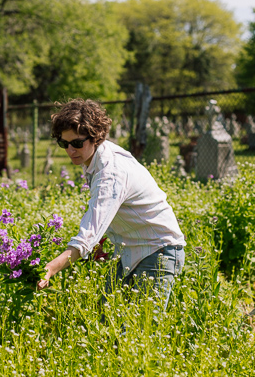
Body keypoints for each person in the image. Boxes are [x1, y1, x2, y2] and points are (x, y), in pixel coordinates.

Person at [36, 98, 186, 311]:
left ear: (95, 137)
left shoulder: (111, 173)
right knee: (108, 320)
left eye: (77, 143)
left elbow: (89, 232)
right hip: (129, 250)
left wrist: (50, 269)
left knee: (140, 331)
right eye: (64, 143)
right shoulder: (94, 158)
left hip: (158, 250)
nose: (70, 150)